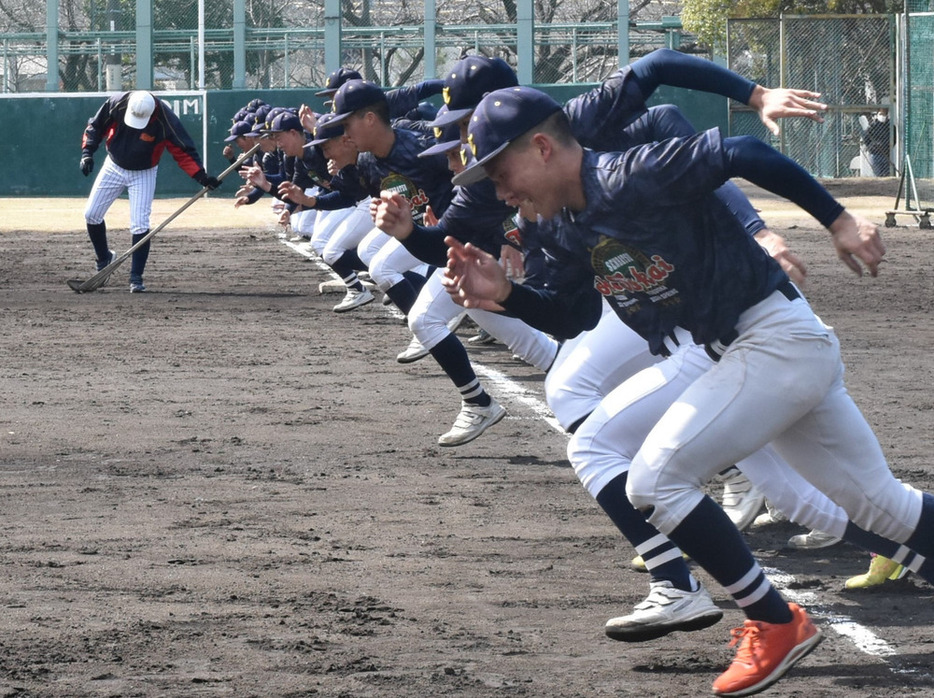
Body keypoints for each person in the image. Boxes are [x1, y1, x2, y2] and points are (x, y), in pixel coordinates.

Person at [442, 86, 934, 696]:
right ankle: (780, 616)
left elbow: (744, 152)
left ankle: (775, 623)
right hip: (751, 352)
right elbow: (572, 318)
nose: (500, 189)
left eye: (501, 169)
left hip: (772, 340)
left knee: (655, 479)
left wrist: (836, 219)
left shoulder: (627, 175)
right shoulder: (566, 225)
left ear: (542, 147)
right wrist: (506, 297)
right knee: (884, 509)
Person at [79, 90, 221, 292]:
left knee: (139, 225)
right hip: (114, 166)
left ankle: (136, 278)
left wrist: (201, 177)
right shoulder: (117, 103)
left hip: (144, 173)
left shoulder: (165, 119)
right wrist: (87, 153)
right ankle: (104, 260)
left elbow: (183, 150)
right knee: (91, 214)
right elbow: (95, 126)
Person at [863, 106, 893, 176]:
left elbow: (894, 138)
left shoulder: (889, 126)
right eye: (880, 114)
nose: (882, 116)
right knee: (877, 175)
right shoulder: (872, 126)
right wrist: (872, 147)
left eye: (884, 114)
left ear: (887, 115)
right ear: (877, 114)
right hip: (875, 154)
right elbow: (866, 139)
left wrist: (887, 145)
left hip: (886, 154)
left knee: (886, 174)